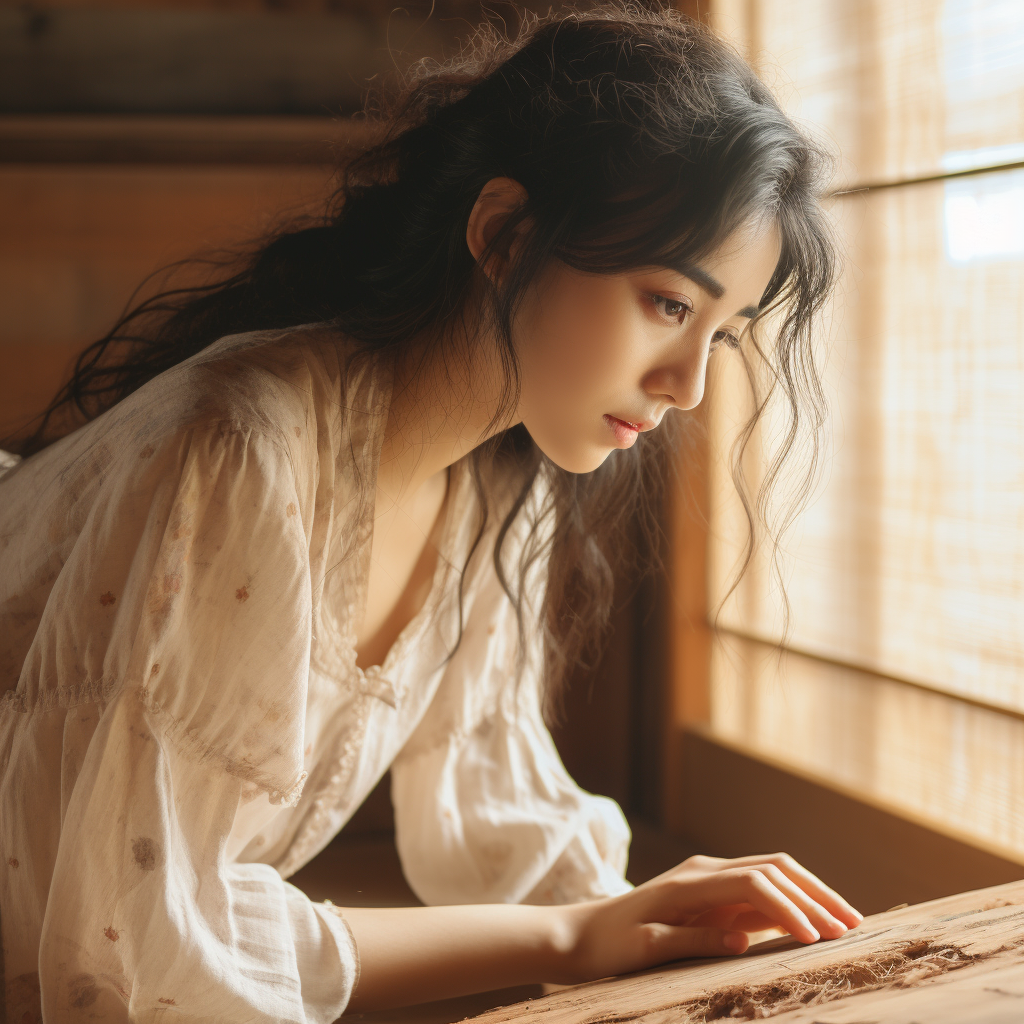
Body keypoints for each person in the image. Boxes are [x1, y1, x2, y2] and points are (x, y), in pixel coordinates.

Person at [0, 3, 861, 1021]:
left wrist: (658, 925)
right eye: (670, 303)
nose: (687, 387)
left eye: (722, 334)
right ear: (503, 233)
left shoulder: (499, 472)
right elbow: (141, 944)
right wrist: (572, 937)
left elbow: (499, 815)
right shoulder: (246, 449)